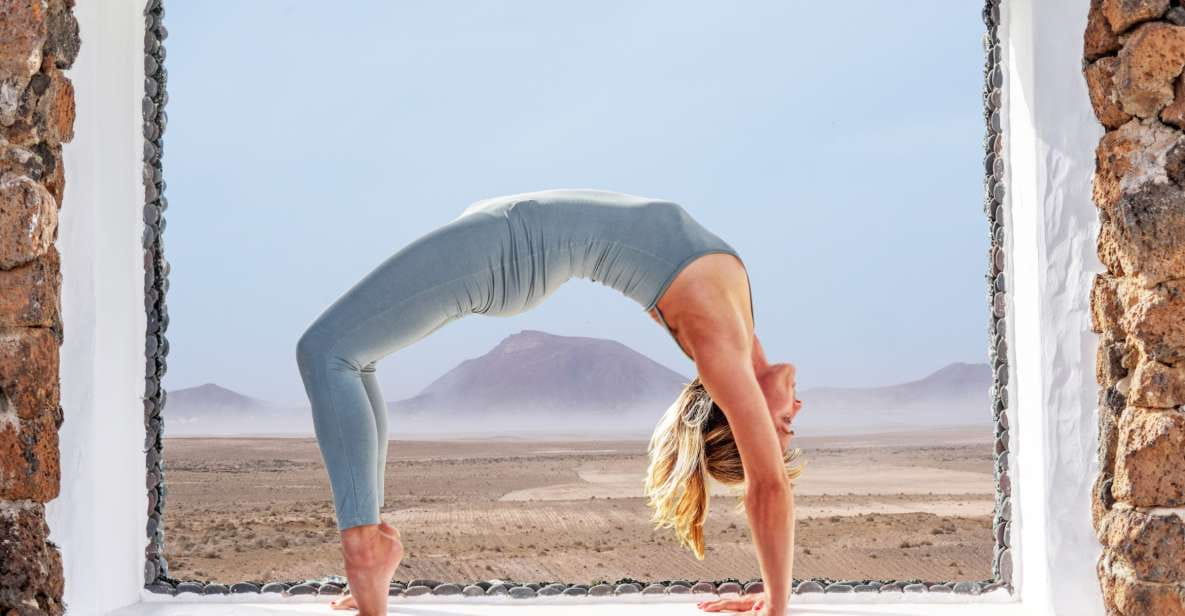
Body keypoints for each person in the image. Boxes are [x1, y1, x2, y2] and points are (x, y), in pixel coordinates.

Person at [294, 188, 805, 616]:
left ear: (741, 416)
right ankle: (373, 534)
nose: (795, 413)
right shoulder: (738, 329)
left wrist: (776, 603)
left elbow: (769, 486)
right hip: (508, 241)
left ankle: (363, 544)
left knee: (325, 352)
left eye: (781, 426)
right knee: (355, 359)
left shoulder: (719, 350)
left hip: (508, 248)